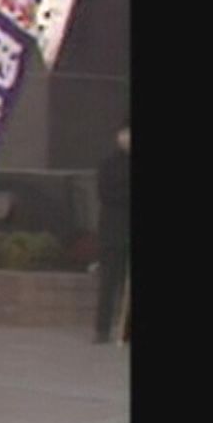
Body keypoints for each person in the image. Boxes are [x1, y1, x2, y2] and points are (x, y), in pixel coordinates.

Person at [94, 121, 130, 344]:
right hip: (113, 230)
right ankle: (102, 329)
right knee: (109, 281)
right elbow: (106, 193)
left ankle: (124, 329)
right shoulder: (109, 164)